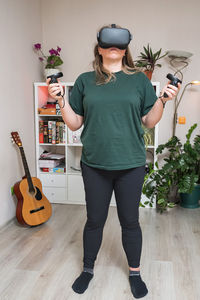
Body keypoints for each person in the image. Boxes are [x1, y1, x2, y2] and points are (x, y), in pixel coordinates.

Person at [47, 24, 181, 299]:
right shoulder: (85, 81)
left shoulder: (139, 81)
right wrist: (61, 101)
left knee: (129, 221)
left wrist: (163, 101)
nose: (113, 48)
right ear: (99, 49)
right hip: (95, 164)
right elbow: (74, 124)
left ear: (124, 50)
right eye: (108, 44)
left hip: (130, 164)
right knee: (94, 220)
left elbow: (148, 121)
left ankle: (134, 272)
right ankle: (87, 269)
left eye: (119, 45)